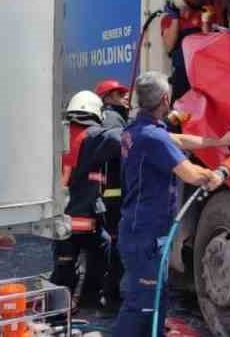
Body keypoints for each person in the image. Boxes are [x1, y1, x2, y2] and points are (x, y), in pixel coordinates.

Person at [112, 71, 230, 337]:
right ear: (166, 98)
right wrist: (217, 174)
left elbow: (179, 140)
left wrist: (219, 142)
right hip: (145, 234)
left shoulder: (138, 130)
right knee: (142, 304)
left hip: (142, 231)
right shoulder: (153, 138)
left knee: (155, 298)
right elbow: (191, 174)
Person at [51, 90, 122, 312]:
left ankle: (59, 307)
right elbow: (116, 138)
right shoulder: (91, 136)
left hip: (59, 216)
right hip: (82, 218)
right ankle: (87, 299)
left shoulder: (59, 133)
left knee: (65, 266)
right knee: (101, 251)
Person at [93, 79, 130, 309]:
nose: (125, 97)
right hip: (114, 194)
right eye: (118, 94)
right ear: (107, 98)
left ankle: (104, 292)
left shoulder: (107, 118)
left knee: (109, 243)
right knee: (116, 244)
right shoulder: (113, 119)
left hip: (107, 192)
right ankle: (111, 294)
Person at [161, 0, 213, 102]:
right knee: (180, 112)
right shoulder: (168, 20)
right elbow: (169, 45)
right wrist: (175, 17)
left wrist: (206, 22)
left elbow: (209, 44)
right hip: (181, 73)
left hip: (201, 71)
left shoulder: (203, 14)